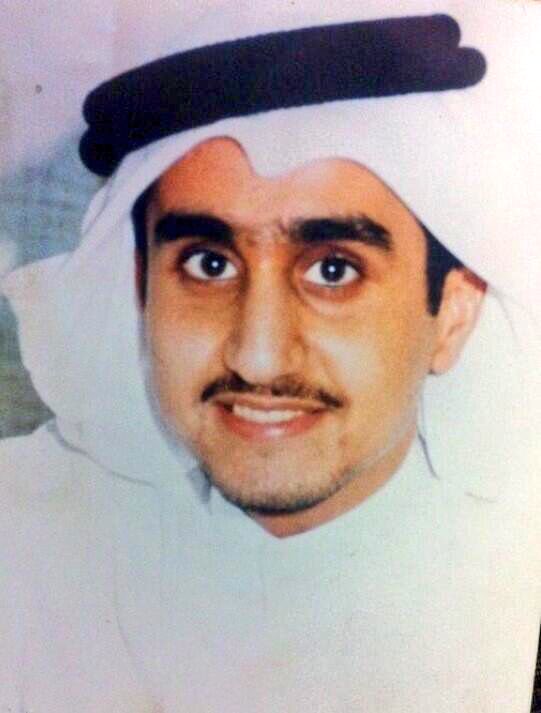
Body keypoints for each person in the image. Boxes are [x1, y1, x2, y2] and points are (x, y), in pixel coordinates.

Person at [1, 2, 540, 711]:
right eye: (208, 264)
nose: (256, 357)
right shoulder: (25, 541)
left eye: (333, 271)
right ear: (140, 290)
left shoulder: (510, 576)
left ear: (453, 315)